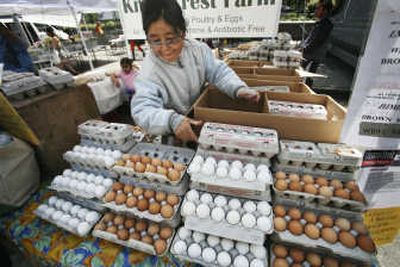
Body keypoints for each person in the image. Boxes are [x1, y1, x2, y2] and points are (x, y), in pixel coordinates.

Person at [131, 0, 259, 143]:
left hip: (199, 120)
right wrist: (172, 121)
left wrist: (237, 88)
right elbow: (142, 109)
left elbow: (218, 71)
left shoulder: (197, 50)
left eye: (170, 39)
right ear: (147, 39)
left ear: (183, 33)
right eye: (156, 41)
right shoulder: (150, 71)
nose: (165, 47)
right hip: (172, 130)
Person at [301, 0, 334, 87]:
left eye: (318, 8)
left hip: (312, 56)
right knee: (306, 77)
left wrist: (304, 49)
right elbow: (311, 38)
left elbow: (316, 42)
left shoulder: (325, 25)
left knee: (306, 76)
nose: (315, 10)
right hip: (310, 54)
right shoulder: (320, 23)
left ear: (325, 11)